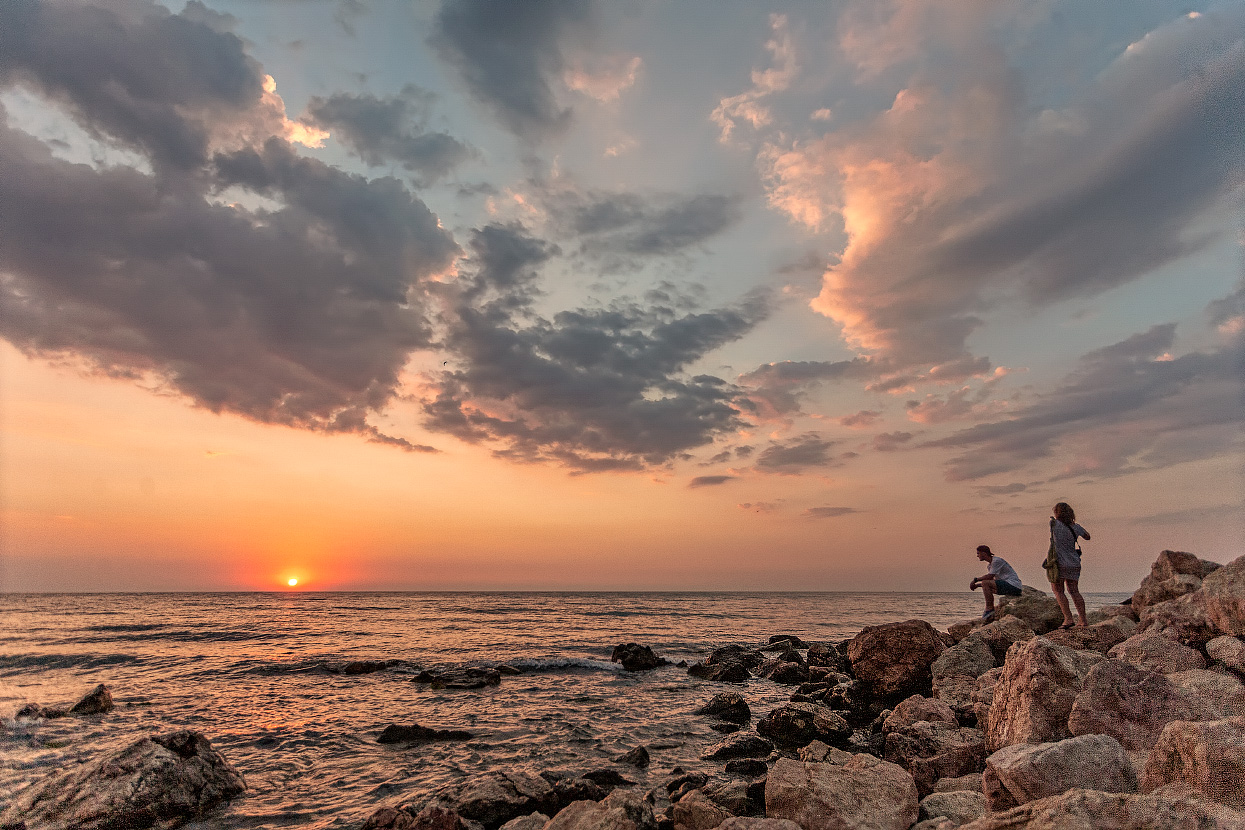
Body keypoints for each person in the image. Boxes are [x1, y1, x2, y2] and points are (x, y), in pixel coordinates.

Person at [1050, 502, 1090, 629]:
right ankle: (1083, 620)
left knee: (1058, 590)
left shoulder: (1055, 524)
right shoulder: (1076, 527)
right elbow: (1087, 536)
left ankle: (1068, 619)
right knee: (1074, 591)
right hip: (1074, 562)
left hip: (1060, 562)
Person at [970, 545, 1022, 622]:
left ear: (984, 553)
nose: (977, 555)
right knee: (986, 585)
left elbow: (989, 577)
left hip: (1013, 586)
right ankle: (990, 612)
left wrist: (975, 580)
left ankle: (989, 609)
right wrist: (977, 586)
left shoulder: (996, 561)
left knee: (985, 583)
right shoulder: (990, 566)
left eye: (978, 553)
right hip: (1008, 586)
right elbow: (991, 581)